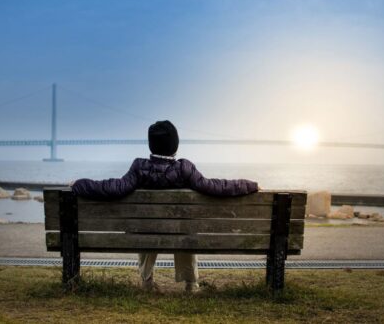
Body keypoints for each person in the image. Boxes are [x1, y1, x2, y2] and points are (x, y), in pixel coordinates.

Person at [71, 120, 259, 292]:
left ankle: (146, 282)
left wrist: (79, 184)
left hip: (147, 231)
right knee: (186, 230)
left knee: (145, 227)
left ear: (151, 145)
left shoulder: (139, 167)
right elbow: (215, 187)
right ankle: (191, 284)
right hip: (180, 232)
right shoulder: (185, 168)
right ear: (175, 145)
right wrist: (251, 185)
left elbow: (113, 188)